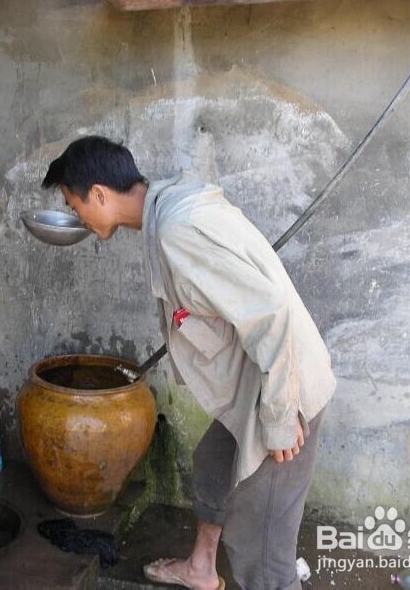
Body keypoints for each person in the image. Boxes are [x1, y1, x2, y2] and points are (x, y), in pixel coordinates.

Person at [41, 136, 336, 590]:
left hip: (283, 392)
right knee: (213, 466)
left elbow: (271, 313)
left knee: (258, 551)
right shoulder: (168, 213)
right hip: (253, 386)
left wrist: (280, 417)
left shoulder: (178, 231)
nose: (76, 214)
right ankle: (201, 568)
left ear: (98, 193)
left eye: (72, 202)